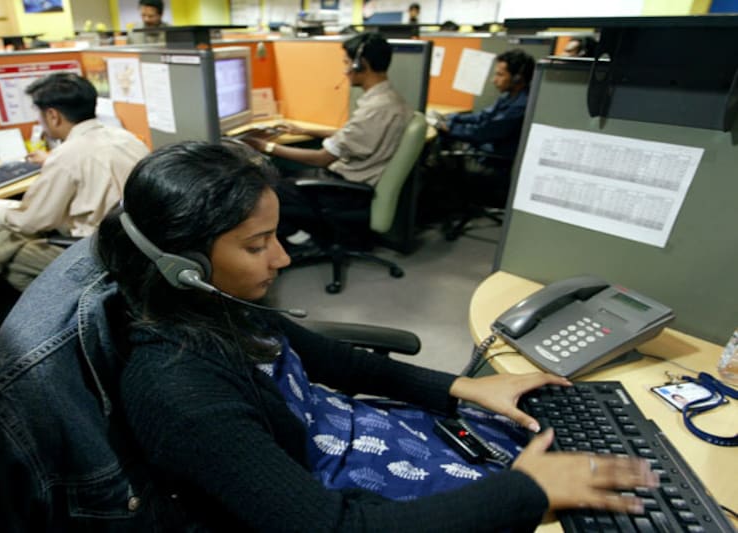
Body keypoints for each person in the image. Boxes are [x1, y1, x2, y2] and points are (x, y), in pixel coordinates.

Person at [91, 141, 656, 530]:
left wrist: (462, 388)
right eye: (257, 245)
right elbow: (334, 528)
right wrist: (526, 491)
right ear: (183, 264)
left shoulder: (219, 308)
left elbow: (334, 360)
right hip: (353, 502)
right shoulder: (180, 395)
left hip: (371, 439)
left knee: (555, 434)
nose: (283, 258)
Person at [0, 72, 149, 296]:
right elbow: (97, 162)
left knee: (14, 258)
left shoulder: (67, 155)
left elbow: (30, 221)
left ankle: (82, 311)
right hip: (140, 243)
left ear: (53, 115)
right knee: (18, 230)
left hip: (101, 252)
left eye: (39, 116)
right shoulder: (125, 138)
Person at [242, 32, 413, 244]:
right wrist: (305, 130)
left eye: (347, 63)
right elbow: (358, 136)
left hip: (345, 191)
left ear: (361, 64)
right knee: (280, 174)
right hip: (353, 181)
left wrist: (265, 146)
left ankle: (303, 240)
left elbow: (321, 159)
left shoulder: (376, 109)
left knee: (262, 186)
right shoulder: (390, 100)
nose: (345, 70)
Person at [435, 48, 535, 161]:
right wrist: (454, 117)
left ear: (517, 78)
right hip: (487, 146)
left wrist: (451, 128)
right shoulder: (508, 97)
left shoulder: (521, 106)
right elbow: (482, 116)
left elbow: (482, 132)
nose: (494, 80)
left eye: (500, 75)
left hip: (496, 158)